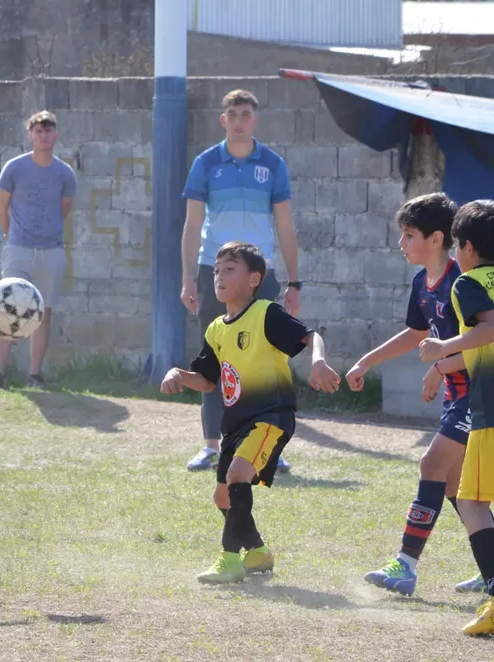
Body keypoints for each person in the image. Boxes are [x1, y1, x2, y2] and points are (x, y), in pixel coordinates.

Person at [161, 242, 339, 584]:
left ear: (254, 279)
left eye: (230, 269)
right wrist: (179, 375)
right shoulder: (216, 329)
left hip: (271, 415)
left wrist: (318, 360)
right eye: (216, 271)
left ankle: (229, 560)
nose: (219, 277)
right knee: (222, 494)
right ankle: (257, 551)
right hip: (236, 424)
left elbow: (309, 336)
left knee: (238, 474)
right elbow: (208, 380)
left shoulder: (265, 313)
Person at [347, 193, 481, 596]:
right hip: (456, 397)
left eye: (408, 236)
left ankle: (405, 564)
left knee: (431, 463)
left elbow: (481, 345)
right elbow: (418, 332)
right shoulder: (422, 282)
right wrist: (367, 361)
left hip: (479, 393)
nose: (401, 245)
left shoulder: (464, 282)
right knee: (459, 487)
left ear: (437, 238)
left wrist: (440, 367)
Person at [180, 89, 301, 474]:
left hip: (257, 275)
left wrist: (294, 282)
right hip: (212, 272)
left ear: (255, 120)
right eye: (232, 113)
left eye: (245, 113)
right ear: (223, 120)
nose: (238, 120)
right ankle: (211, 445)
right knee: (214, 357)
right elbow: (193, 224)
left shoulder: (273, 164)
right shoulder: (206, 163)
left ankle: (269, 445)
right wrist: (188, 280)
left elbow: (284, 224)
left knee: (265, 361)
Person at [418, 199, 494, 635]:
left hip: (490, 413)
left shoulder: (466, 284)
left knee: (472, 501)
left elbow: (488, 329)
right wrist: (444, 366)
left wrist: (444, 347)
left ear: (464, 247)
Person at [0, 110, 77, 390]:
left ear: (56, 134)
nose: (43, 136)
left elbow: (63, 209)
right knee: (5, 306)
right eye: (38, 131)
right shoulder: (14, 168)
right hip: (18, 248)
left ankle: (34, 375)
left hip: (51, 251)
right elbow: (2, 208)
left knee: (42, 311)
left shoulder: (64, 172)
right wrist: (12, 235)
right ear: (30, 134)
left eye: (48, 130)